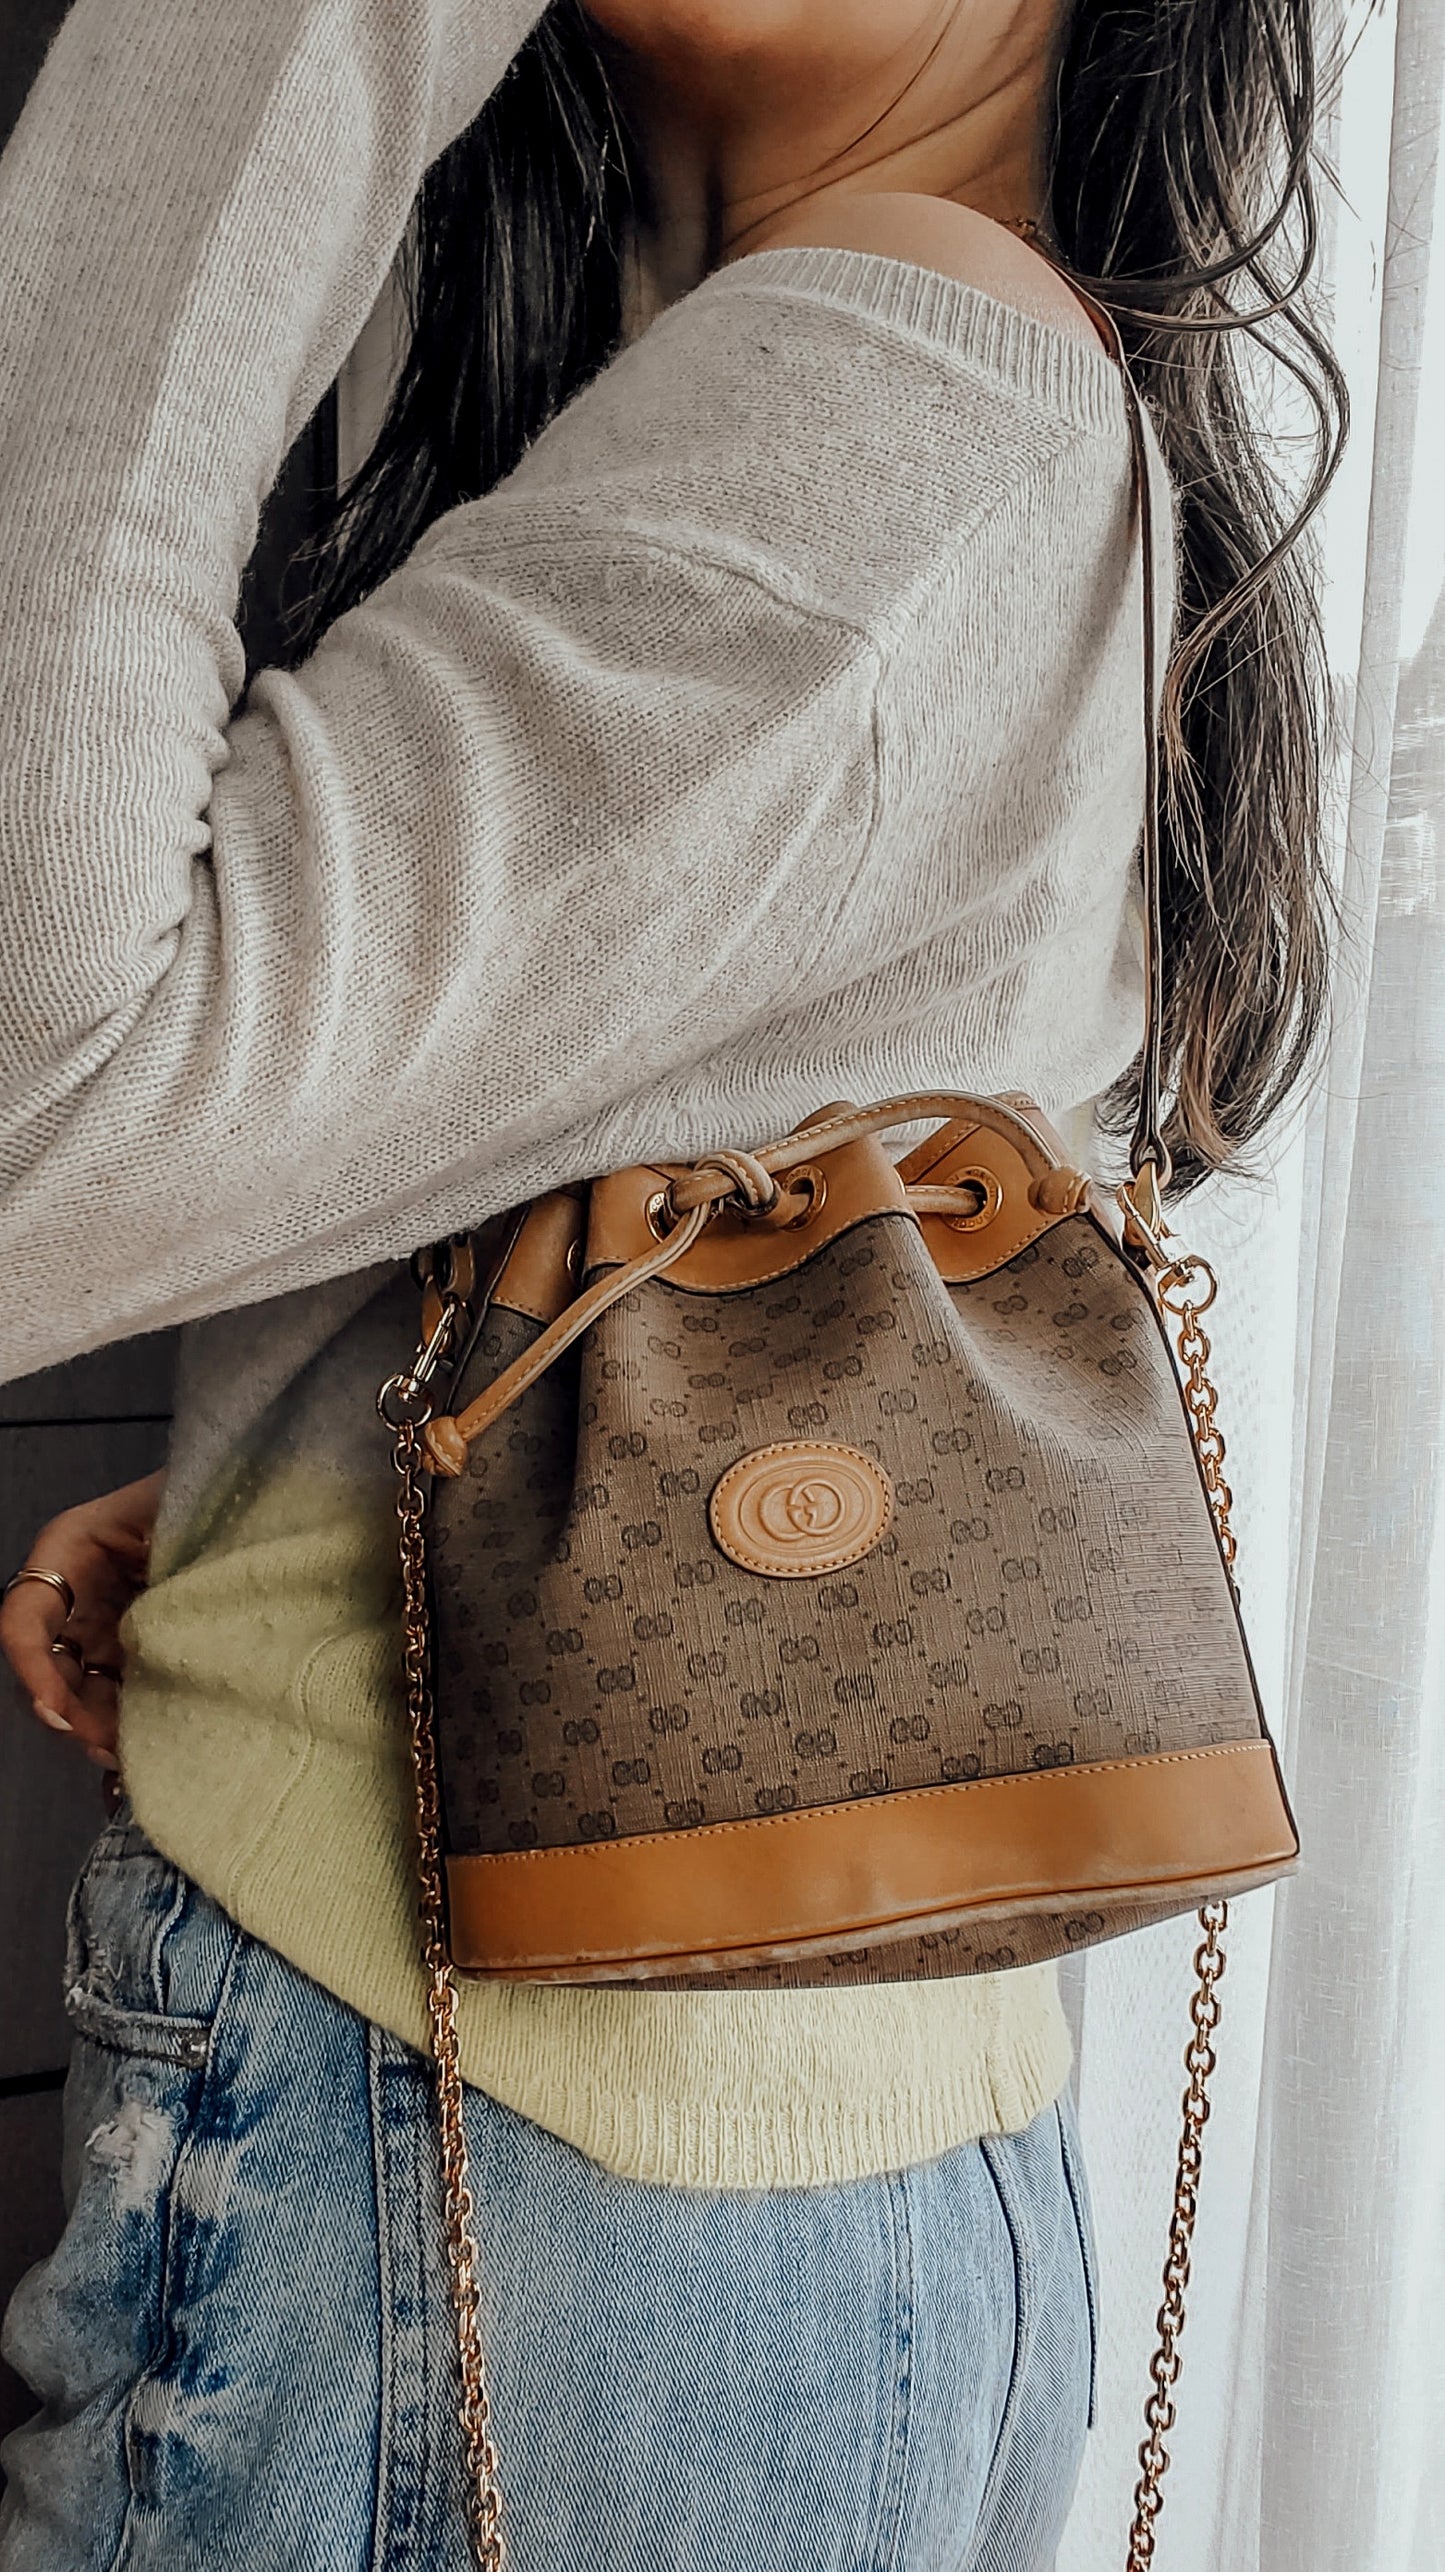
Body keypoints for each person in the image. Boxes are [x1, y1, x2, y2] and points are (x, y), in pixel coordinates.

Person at [0, 1, 1342, 2565]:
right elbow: (781, 1225)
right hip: (761, 2202)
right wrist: (321, 1498)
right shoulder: (935, 365)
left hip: (505, 2199)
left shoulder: (893, 385)